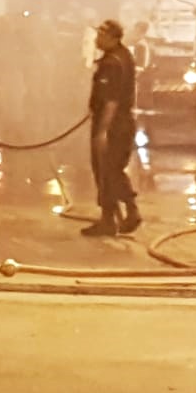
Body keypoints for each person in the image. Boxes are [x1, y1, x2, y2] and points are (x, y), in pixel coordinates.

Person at [82, 19, 140, 237]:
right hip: (121, 123)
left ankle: (117, 217)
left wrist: (102, 131)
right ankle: (118, 216)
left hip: (113, 125)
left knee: (107, 172)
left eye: (101, 35)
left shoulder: (113, 63)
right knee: (112, 170)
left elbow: (111, 101)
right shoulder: (122, 56)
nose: (97, 39)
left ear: (113, 38)